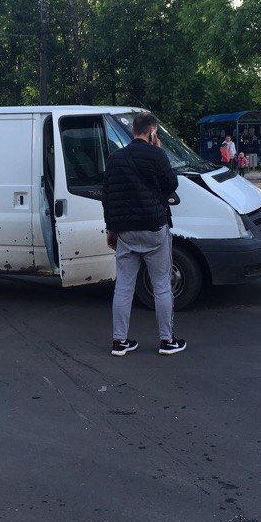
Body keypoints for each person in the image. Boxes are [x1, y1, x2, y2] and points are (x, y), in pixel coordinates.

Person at [102, 112, 186, 356]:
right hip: (154, 228)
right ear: (152, 132)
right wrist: (158, 151)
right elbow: (171, 185)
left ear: (134, 130)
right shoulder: (157, 154)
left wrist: (111, 229)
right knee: (161, 285)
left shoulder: (115, 158)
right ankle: (167, 341)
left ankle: (119, 342)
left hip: (126, 231)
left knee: (124, 287)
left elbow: (107, 195)